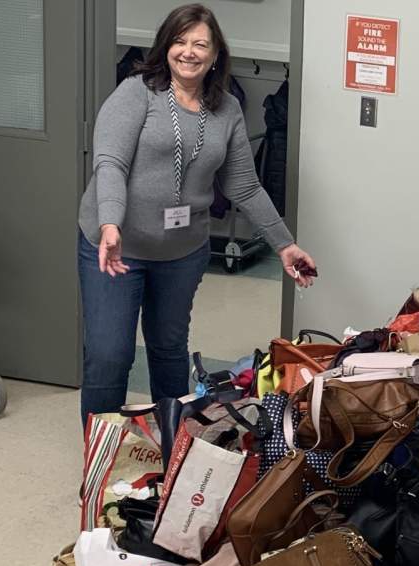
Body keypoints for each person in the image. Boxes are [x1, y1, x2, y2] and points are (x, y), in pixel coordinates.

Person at [76, 3, 316, 423]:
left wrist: (285, 245)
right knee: (109, 355)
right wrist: (110, 222)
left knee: (169, 351)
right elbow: (109, 162)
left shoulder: (225, 110)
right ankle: (101, 464)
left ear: (216, 53)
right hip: (116, 249)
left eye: (200, 43)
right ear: (165, 47)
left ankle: (176, 458)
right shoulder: (136, 93)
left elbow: (243, 184)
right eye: (179, 41)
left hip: (181, 252)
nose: (188, 52)